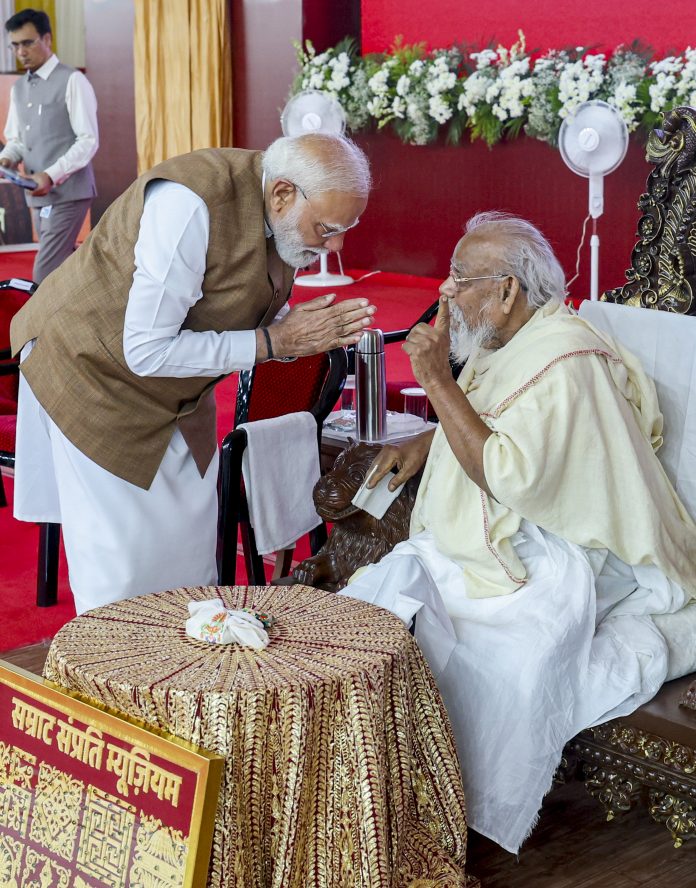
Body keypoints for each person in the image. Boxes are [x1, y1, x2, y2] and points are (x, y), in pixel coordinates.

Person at [342, 212, 696, 854]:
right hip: (503, 532)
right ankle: (375, 786)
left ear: (508, 291)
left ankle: (443, 811)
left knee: (495, 656)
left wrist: (435, 384)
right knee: (376, 605)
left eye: (460, 279)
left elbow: (509, 474)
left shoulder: (565, 361)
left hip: (566, 549)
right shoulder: (508, 341)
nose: (445, 291)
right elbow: (489, 419)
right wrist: (429, 438)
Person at [10, 132, 375, 615]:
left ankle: (182, 676)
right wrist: (275, 343)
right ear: (284, 193)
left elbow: (229, 305)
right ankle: (113, 675)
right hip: (92, 372)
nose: (336, 244)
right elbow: (144, 350)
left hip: (178, 393)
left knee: (188, 566)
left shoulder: (282, 218)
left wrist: (294, 331)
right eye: (328, 227)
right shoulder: (190, 206)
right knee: (121, 573)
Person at [0, 8, 98, 283]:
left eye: (28, 42)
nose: (21, 51)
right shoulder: (18, 88)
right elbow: (17, 139)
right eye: (15, 44)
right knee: (64, 267)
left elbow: (88, 140)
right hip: (37, 195)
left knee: (45, 273)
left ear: (47, 39)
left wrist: (50, 175)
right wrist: (7, 159)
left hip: (69, 193)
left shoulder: (73, 80)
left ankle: (44, 327)